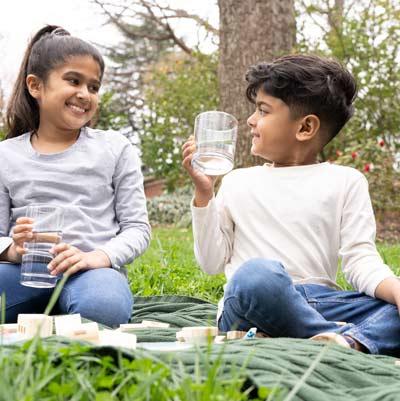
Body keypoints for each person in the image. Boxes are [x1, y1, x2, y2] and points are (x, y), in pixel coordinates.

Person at [182, 55, 400, 356]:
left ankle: (328, 340)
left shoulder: (346, 181)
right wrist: (204, 194)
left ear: (305, 127)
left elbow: (360, 261)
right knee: (257, 275)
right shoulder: (237, 181)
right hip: (253, 300)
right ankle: (344, 339)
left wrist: (396, 291)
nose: (250, 120)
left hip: (323, 302)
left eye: (263, 110)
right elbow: (211, 262)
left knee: (391, 310)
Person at [0, 25, 151, 327]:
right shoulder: (6, 156)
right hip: (24, 273)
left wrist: (98, 256)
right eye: (73, 81)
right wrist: (14, 250)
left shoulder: (115, 148)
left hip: (92, 273)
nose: (85, 94)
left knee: (104, 309)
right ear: (35, 86)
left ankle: (62, 314)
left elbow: (137, 229)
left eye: (93, 87)